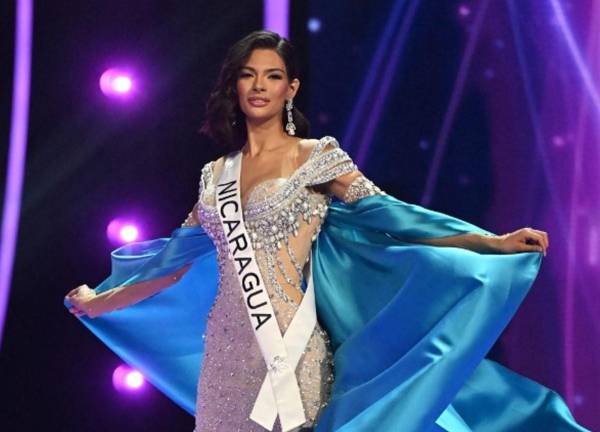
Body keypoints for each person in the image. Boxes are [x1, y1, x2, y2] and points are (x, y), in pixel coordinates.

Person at [65, 31, 587, 432]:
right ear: (235, 85)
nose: (259, 86)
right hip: (225, 359)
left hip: (292, 352)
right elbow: (172, 265)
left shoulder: (317, 157)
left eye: (272, 76)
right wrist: (99, 302)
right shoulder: (215, 175)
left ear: (290, 88)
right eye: (248, 75)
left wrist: (488, 242)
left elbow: (393, 217)